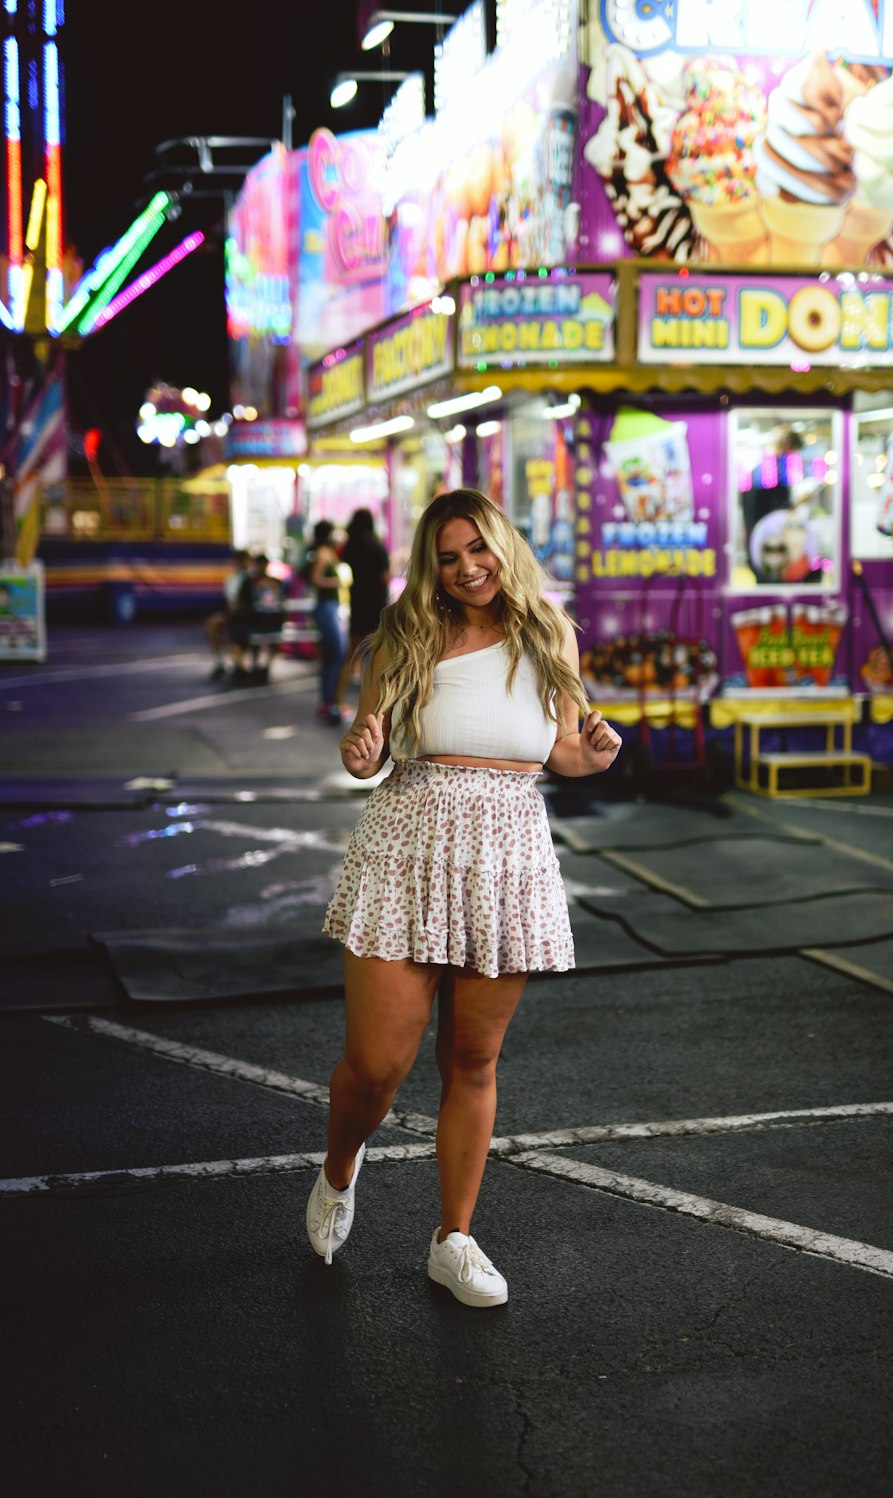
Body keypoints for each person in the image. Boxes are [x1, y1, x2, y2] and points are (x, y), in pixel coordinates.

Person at [307, 488, 622, 1308]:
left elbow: (561, 751)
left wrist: (596, 753)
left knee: (472, 1061)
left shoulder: (547, 633)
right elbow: (364, 751)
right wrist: (360, 746)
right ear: (431, 565)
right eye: (448, 557)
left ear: (502, 546)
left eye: (477, 548)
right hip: (407, 846)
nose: (467, 568)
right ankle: (340, 1169)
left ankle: (454, 1238)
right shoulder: (406, 633)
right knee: (376, 1067)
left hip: (507, 852)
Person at [332, 508, 390, 718]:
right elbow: (385, 577)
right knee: (376, 658)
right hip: (376, 606)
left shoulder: (350, 547)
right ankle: (372, 707)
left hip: (358, 604)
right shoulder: (377, 547)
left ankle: (337, 700)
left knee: (351, 657)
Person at [307, 520, 345, 722]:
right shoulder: (323, 553)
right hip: (326, 607)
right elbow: (316, 578)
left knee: (333, 654)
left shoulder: (327, 551)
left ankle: (330, 700)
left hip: (330, 607)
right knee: (335, 653)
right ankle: (328, 701)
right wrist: (335, 582)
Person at [233, 553, 286, 681]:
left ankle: (241, 668)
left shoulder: (249, 581)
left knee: (234, 636)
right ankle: (260, 667)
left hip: (254, 623)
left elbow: (241, 604)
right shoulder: (276, 582)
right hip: (273, 623)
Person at [205, 549, 251, 679]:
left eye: (243, 560)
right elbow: (231, 602)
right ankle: (220, 661)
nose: (241, 563)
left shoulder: (252, 578)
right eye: (239, 560)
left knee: (234, 631)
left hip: (246, 616)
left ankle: (238, 664)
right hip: (236, 615)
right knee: (212, 624)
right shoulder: (233, 579)